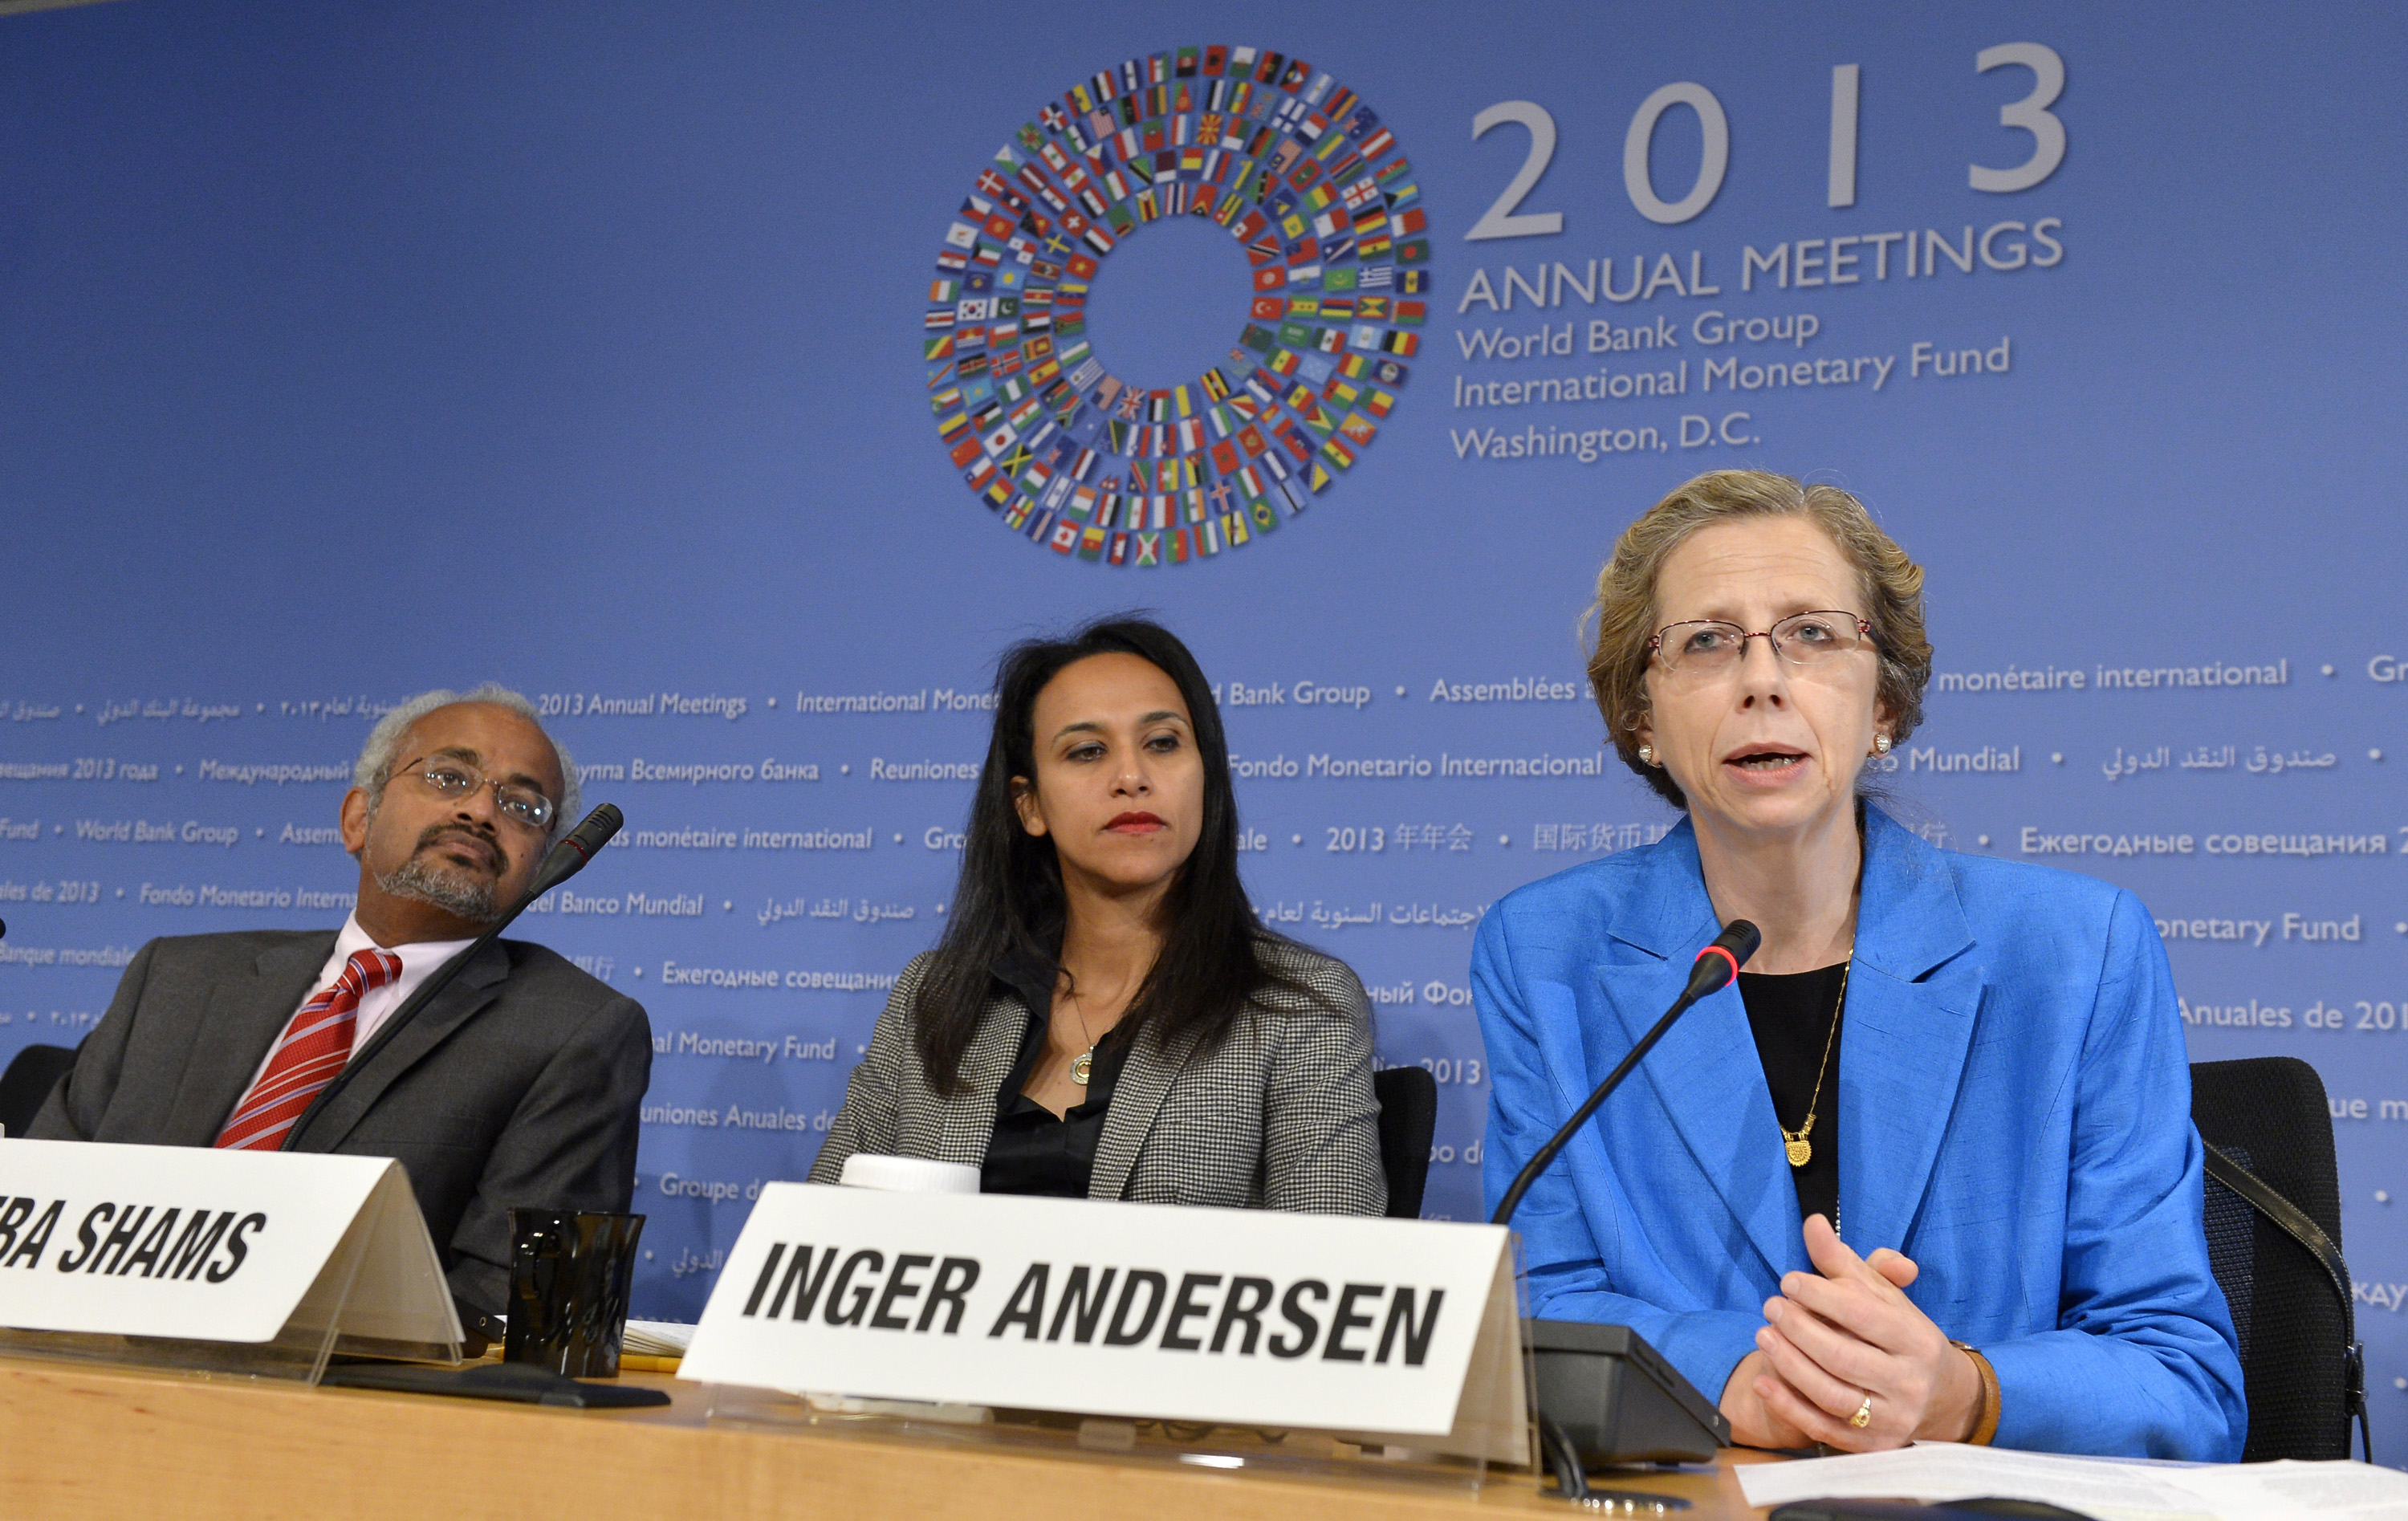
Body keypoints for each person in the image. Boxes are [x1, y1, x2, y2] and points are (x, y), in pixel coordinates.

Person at [1474, 471, 2244, 1460]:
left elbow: (2184, 1374)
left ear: (1885, 700)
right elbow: (1539, 1310)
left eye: (1812, 633)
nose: (1762, 678)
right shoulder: (1545, 953)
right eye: (1705, 641)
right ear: (1642, 718)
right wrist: (1738, 1375)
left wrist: (1968, 1391)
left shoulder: (2074, 950)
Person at [31, 685, 652, 1314]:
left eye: (523, 806)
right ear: (359, 818)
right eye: (448, 776)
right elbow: (32, 1206)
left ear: (543, 862)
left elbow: (508, 1305)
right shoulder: (177, 977)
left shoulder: (574, 1032)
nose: (481, 812)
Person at [811, 616, 1384, 1213]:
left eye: (1162, 743)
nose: (1132, 777)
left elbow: (1329, 1276)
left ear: (1206, 779)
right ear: (1029, 805)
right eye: (1087, 751)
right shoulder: (933, 999)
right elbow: (816, 1242)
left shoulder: (1298, 1007)